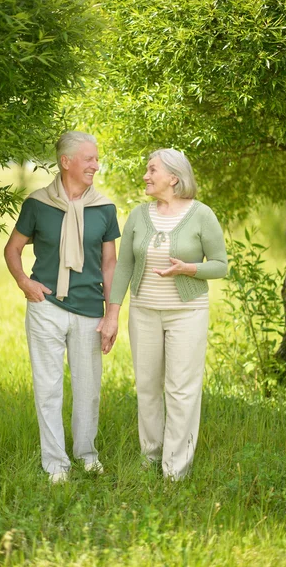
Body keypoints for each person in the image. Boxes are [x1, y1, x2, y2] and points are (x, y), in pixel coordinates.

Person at [100, 149, 227, 481]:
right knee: (147, 386)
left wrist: (190, 268)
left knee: (181, 388)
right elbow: (124, 265)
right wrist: (111, 315)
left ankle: (176, 468)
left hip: (187, 313)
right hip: (144, 312)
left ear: (173, 176)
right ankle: (151, 455)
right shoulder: (139, 216)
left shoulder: (202, 215)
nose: (145, 175)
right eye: (146, 169)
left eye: (151, 169)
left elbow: (220, 265)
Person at [4, 131, 120, 483]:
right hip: (46, 306)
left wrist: (112, 313)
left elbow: (110, 263)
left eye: (96, 159)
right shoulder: (38, 204)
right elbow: (13, 249)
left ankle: (87, 455)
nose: (95, 166)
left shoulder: (104, 208)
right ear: (66, 162)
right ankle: (55, 463)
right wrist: (25, 282)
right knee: (48, 387)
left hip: (89, 309)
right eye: (89, 159)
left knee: (88, 388)